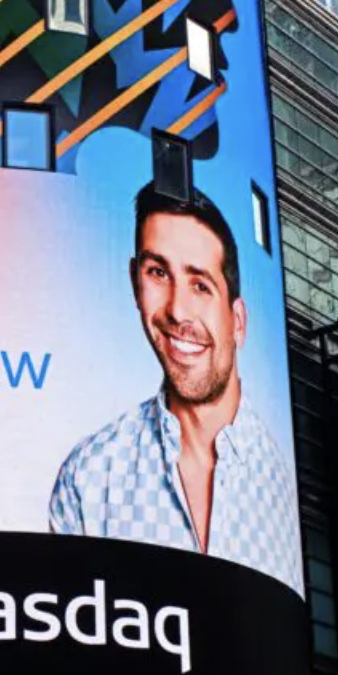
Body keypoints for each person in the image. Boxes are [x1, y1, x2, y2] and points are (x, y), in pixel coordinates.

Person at [49, 182, 302, 594]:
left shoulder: (282, 478)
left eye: (201, 285)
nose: (177, 310)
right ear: (135, 282)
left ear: (238, 321)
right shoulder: (90, 474)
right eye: (158, 273)